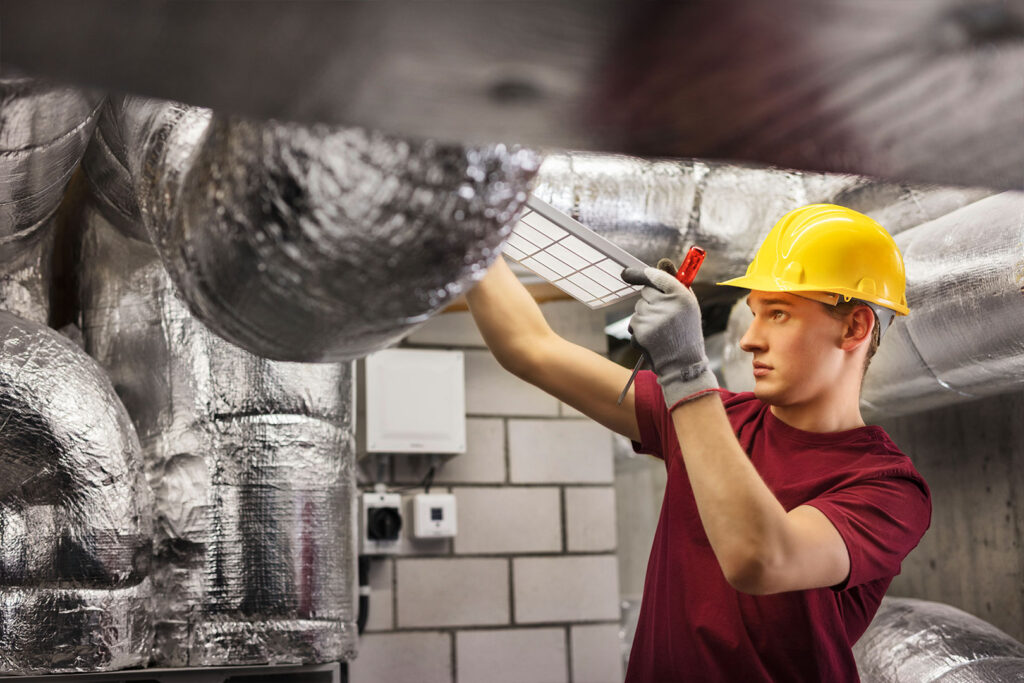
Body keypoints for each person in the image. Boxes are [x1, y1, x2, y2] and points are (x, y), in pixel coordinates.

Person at [465, 203, 931, 681]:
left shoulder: (888, 488)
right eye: (753, 313)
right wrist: (467, 226)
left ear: (854, 327)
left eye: (778, 314)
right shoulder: (714, 417)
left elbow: (760, 559)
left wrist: (686, 371)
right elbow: (530, 348)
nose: (750, 338)